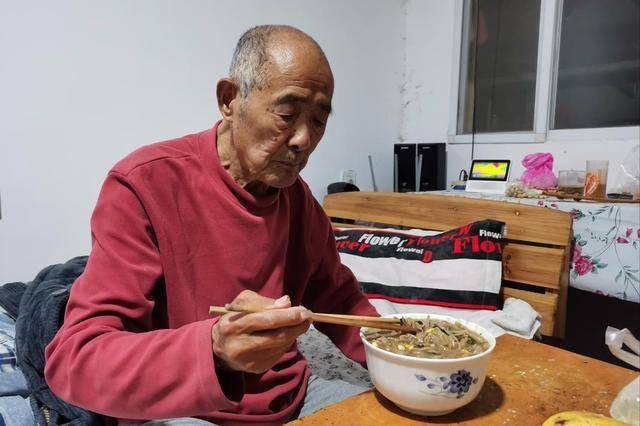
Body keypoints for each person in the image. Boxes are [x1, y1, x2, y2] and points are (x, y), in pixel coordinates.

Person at [43, 25, 379, 424]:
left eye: (319, 121)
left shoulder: (298, 198)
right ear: (229, 100)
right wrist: (215, 348)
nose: (303, 139)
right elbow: (77, 360)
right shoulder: (143, 184)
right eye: (287, 115)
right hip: (189, 408)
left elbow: (340, 300)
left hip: (292, 395)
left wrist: (406, 347)